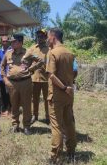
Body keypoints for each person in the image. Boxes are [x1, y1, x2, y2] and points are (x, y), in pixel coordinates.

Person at [0, 33, 44, 135]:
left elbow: (41, 61)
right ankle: (15, 125)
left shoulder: (27, 52)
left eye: (14, 42)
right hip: (12, 84)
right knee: (14, 105)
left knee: (26, 105)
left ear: (20, 42)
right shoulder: (8, 53)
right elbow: (2, 67)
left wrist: (31, 69)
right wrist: (5, 80)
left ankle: (27, 126)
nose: (11, 43)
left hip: (25, 82)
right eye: (11, 42)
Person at [46, 28, 77, 164]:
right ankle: (71, 152)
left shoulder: (52, 53)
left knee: (57, 126)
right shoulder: (70, 53)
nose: (47, 39)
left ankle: (55, 156)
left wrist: (63, 87)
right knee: (69, 123)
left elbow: (51, 75)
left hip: (57, 95)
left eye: (48, 37)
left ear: (53, 37)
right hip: (69, 94)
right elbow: (75, 72)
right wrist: (68, 85)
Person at [29, 29, 50, 125]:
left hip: (46, 78)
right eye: (38, 36)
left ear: (45, 37)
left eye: (42, 36)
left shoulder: (49, 49)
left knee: (47, 99)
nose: (39, 38)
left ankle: (48, 117)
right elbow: (27, 61)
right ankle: (35, 115)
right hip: (34, 78)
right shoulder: (32, 48)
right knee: (35, 98)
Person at [0, 36, 11, 117]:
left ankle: (11, 108)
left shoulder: (11, 50)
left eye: (6, 41)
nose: (5, 42)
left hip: (10, 75)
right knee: (3, 92)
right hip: (1, 75)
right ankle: (5, 108)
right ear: (1, 42)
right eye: (3, 41)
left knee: (10, 92)